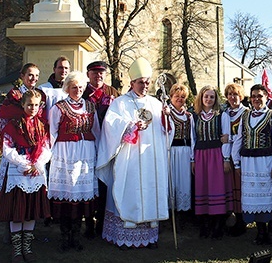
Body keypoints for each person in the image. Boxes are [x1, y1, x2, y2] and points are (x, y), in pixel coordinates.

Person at [96, 57, 173, 249]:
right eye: (141, 82)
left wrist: (167, 119)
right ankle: (124, 235)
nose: (145, 86)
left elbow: (166, 132)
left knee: (150, 189)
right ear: (132, 83)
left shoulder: (156, 104)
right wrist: (130, 126)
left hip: (151, 159)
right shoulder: (120, 103)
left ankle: (149, 236)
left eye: (147, 82)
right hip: (129, 158)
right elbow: (110, 125)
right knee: (129, 189)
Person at [0, 90, 51, 263]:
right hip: (18, 172)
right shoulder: (13, 125)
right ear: (23, 105)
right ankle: (17, 249)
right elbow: (7, 149)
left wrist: (38, 164)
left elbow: (47, 148)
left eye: (36, 105)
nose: (32, 108)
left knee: (30, 212)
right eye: (29, 105)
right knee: (18, 212)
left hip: (35, 173)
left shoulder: (42, 125)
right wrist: (25, 164)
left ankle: (27, 247)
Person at [47, 71, 100, 252]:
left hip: (85, 155)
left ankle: (76, 237)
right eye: (74, 87)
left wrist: (98, 153)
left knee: (80, 195)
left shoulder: (90, 107)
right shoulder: (58, 108)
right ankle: (64, 237)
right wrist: (50, 156)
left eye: (80, 87)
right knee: (66, 196)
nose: (77, 90)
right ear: (67, 88)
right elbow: (52, 133)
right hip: (65, 154)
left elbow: (97, 131)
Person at [231, 84, 272, 246]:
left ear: (267, 97)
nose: (256, 99)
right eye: (253, 96)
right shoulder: (245, 116)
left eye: (259, 96)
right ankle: (260, 231)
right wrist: (236, 162)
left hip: (267, 162)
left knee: (270, 196)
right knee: (254, 200)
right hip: (248, 163)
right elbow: (238, 140)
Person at [191, 85, 233, 239]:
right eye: (206, 96)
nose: (208, 99)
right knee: (203, 188)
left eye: (212, 97)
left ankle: (218, 226)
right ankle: (204, 226)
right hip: (201, 155)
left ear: (216, 99)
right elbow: (193, 139)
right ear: (201, 98)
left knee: (217, 188)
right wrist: (192, 159)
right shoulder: (194, 116)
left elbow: (226, 138)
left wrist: (226, 159)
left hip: (217, 155)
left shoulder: (222, 115)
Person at [221, 83, 250, 237]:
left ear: (241, 96)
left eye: (236, 94)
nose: (233, 98)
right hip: (229, 156)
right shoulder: (226, 114)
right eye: (230, 95)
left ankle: (242, 221)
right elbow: (223, 136)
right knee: (232, 187)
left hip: (242, 156)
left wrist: (229, 138)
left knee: (241, 188)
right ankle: (233, 218)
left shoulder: (246, 113)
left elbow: (243, 135)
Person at [166, 83, 192, 214]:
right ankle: (170, 211)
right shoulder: (167, 114)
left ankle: (182, 211)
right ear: (171, 97)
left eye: (182, 97)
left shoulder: (189, 116)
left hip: (185, 152)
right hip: (171, 152)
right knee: (171, 180)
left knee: (183, 180)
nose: (179, 99)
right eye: (176, 96)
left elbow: (192, 136)